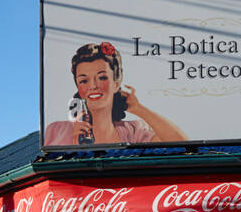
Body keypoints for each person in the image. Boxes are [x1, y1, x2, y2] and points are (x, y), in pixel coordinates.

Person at [44, 41, 187, 147]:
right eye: (84, 81)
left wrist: (139, 109)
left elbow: (184, 146)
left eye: (102, 77)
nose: (93, 86)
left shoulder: (133, 131)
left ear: (116, 83)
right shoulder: (57, 131)